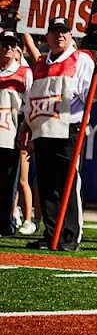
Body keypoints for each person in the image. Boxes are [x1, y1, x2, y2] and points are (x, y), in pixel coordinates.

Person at [20, 17, 97, 251]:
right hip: (43, 130)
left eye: (64, 32)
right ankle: (51, 233)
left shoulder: (80, 59)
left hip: (68, 129)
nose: (60, 36)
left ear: (71, 36)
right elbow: (32, 101)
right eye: (55, 32)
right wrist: (26, 128)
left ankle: (70, 235)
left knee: (67, 183)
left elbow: (95, 94)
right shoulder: (39, 64)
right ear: (47, 37)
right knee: (46, 185)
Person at [0, 31, 30, 237]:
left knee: (8, 183)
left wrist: (25, 130)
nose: (8, 48)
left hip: (10, 135)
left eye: (12, 44)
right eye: (4, 44)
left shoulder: (24, 72)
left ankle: (6, 224)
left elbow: (29, 105)